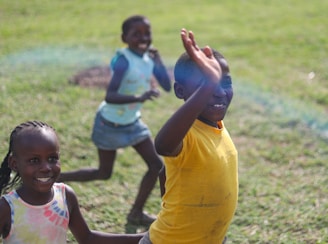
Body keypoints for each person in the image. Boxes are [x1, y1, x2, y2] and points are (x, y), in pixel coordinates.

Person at [57, 15, 171, 226]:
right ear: (124, 37)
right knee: (103, 173)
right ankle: (57, 179)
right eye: (136, 34)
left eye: (147, 33)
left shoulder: (148, 58)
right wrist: (139, 97)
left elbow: (166, 86)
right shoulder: (123, 59)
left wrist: (159, 61)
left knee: (157, 166)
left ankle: (136, 213)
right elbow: (110, 95)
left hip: (132, 122)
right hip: (109, 124)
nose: (143, 37)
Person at [139, 29, 238, 244]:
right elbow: (163, 145)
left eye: (224, 83)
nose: (219, 91)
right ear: (180, 90)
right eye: (207, 85)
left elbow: (166, 172)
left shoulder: (217, 125)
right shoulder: (186, 134)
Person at [0, 121, 144, 244]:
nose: (46, 168)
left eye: (52, 158)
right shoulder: (7, 208)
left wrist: (145, 238)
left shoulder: (65, 196)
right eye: (34, 160)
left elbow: (87, 238)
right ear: (14, 164)